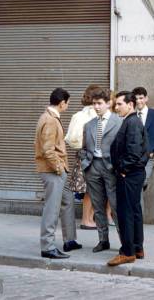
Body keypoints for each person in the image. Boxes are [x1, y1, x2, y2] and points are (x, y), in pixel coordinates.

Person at [35, 88, 81, 259]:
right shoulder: (50, 120)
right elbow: (48, 150)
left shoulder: (50, 117)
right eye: (67, 103)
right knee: (52, 209)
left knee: (67, 201)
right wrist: (59, 169)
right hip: (53, 171)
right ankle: (47, 247)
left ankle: (70, 240)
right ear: (62, 103)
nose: (67, 106)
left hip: (57, 170)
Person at [107, 91, 150, 266]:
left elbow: (133, 152)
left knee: (126, 213)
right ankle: (137, 247)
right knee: (135, 211)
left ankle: (127, 251)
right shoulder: (133, 121)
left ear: (130, 105)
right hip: (134, 173)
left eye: (119, 104)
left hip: (129, 174)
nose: (116, 107)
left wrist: (123, 170)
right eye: (116, 104)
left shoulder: (132, 122)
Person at [80, 88, 122, 253]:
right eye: (94, 104)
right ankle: (103, 240)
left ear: (109, 103)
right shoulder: (89, 125)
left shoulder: (118, 122)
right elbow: (83, 148)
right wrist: (85, 163)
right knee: (97, 206)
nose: (96, 107)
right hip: (93, 167)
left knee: (116, 206)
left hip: (111, 168)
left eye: (99, 103)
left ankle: (124, 242)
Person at [66, 84, 99, 230]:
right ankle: (86, 220)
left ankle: (90, 218)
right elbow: (72, 139)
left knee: (94, 190)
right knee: (89, 190)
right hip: (88, 157)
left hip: (95, 157)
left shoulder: (94, 115)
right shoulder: (81, 116)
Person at [132, 87, 154, 191]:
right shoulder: (131, 116)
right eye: (136, 98)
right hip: (133, 157)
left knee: (142, 182)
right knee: (136, 185)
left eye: (141, 98)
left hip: (148, 156)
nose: (138, 101)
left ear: (146, 98)